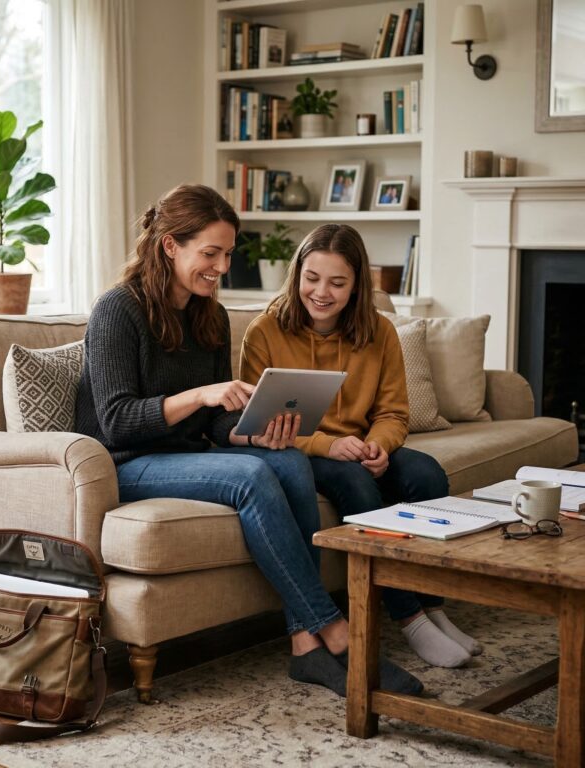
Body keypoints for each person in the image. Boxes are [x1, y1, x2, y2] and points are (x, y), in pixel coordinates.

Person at [76, 185, 423, 697]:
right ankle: (337, 632)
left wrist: (252, 429)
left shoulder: (209, 315)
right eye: (209, 253)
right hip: (125, 462)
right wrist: (200, 395)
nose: (220, 266)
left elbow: (217, 426)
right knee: (255, 475)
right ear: (170, 245)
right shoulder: (117, 310)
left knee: (284, 461)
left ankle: (305, 649)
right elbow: (117, 421)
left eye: (227, 254)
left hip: (186, 455)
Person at [240, 223, 482, 668]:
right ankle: (410, 619)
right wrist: (329, 446)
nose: (322, 292)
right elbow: (258, 423)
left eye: (337, 282)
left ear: (356, 286)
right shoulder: (265, 332)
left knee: (428, 473)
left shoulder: (380, 332)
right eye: (311, 278)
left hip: (361, 446)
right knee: (357, 486)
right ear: (297, 276)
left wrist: (378, 446)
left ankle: (434, 608)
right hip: (301, 452)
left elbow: (394, 412)